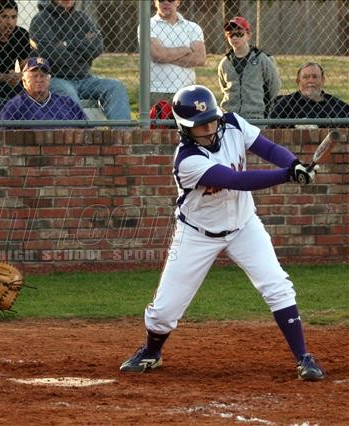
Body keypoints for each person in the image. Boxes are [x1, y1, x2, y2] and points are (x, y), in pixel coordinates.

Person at [119, 85, 325, 382]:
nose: (209, 128)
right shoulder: (187, 160)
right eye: (200, 125)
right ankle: (152, 352)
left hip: (243, 225)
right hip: (196, 233)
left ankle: (303, 357)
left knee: (277, 285)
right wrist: (288, 175)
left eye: (211, 121)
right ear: (184, 128)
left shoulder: (233, 123)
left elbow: (267, 148)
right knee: (163, 312)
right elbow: (236, 180)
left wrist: (293, 164)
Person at [29, 0, 131, 121]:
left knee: (116, 87)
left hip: (85, 78)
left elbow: (97, 47)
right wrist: (82, 53)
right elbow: (51, 54)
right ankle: (83, 131)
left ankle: (122, 131)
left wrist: (66, 44)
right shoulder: (40, 20)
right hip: (57, 78)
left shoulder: (82, 18)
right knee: (68, 93)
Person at [140, 0, 206, 106]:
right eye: (161, 0)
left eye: (170, 0)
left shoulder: (193, 27)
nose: (166, 2)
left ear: (178, 2)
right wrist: (185, 49)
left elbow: (200, 59)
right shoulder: (147, 25)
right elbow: (158, 55)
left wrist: (166, 55)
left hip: (187, 90)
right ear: (155, 2)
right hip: (157, 90)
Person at [218, 16, 280, 119]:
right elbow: (223, 88)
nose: (234, 37)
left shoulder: (261, 59)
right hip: (230, 117)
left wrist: (263, 106)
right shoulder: (225, 63)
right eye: (230, 34)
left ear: (249, 35)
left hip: (255, 117)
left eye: (239, 33)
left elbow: (274, 86)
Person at [0, 57, 86, 122]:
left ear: (49, 79)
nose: (39, 79)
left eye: (43, 76)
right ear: (24, 81)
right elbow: (2, 136)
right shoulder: (14, 106)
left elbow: (88, 129)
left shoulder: (68, 103)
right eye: (34, 76)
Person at [269, 62, 349, 127]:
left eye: (315, 77)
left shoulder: (338, 106)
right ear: (298, 81)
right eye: (306, 77)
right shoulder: (284, 104)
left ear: (322, 80)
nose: (311, 81)